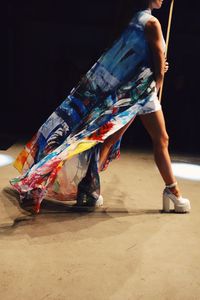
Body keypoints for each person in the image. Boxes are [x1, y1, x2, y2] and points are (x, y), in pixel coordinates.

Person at [10, 0, 191, 213]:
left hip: (128, 93)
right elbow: (158, 62)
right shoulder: (152, 23)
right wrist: (159, 78)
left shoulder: (133, 19)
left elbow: (135, 57)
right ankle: (173, 192)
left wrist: (156, 67)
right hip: (141, 93)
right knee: (160, 140)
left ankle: (89, 189)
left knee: (109, 140)